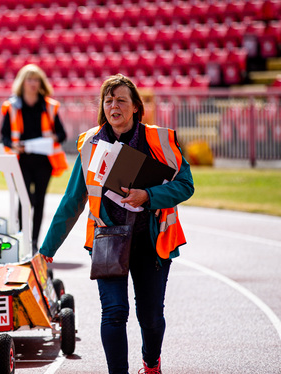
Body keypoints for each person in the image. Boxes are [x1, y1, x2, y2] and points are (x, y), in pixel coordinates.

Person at [39, 74, 194, 374]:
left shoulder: (157, 140)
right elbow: (72, 202)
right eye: (108, 101)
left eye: (121, 100)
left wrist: (147, 196)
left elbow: (186, 185)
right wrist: (47, 249)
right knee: (113, 313)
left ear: (136, 106)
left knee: (149, 317)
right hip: (108, 240)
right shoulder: (90, 144)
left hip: (151, 242)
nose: (114, 106)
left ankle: (151, 363)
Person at [1, 64, 68, 253]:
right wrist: (14, 145)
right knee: (25, 200)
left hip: (43, 161)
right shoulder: (12, 106)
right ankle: (22, 238)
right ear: (22, 82)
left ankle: (33, 243)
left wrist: (52, 139)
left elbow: (62, 134)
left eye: (36, 79)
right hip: (21, 160)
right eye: (29, 79)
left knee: (39, 201)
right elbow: (5, 135)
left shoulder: (49, 106)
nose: (33, 83)